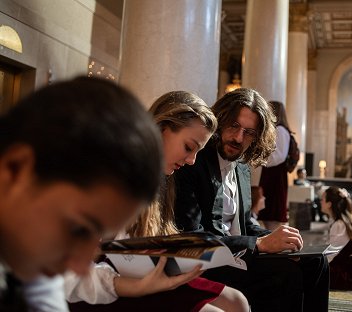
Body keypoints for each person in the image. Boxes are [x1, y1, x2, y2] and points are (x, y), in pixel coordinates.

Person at [65, 91, 249, 312]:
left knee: (237, 301)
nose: (192, 161)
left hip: (132, 274)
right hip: (98, 284)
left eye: (197, 152)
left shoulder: (158, 179)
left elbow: (137, 241)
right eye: (189, 148)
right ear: (160, 131)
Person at [0, 77, 163, 311]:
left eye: (99, 238)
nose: (80, 267)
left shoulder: (27, 261)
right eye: (79, 229)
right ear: (16, 169)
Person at [174, 88, 330, 312]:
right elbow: (194, 238)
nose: (238, 138)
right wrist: (258, 244)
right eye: (234, 126)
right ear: (220, 120)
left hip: (239, 254)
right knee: (286, 274)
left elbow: (246, 224)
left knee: (316, 262)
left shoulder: (242, 166)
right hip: (211, 261)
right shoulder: (193, 163)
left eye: (249, 132)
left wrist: (277, 239)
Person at [320, 187, 352, 291]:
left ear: (329, 204)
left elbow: (329, 256)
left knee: (309, 271)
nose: (320, 201)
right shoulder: (342, 222)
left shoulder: (339, 225)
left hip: (349, 278)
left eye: (322, 199)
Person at [257, 101, 291, 230]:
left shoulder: (281, 130)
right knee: (267, 210)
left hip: (275, 174)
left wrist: (262, 158)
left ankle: (272, 238)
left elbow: (279, 156)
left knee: (272, 210)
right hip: (271, 173)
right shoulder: (277, 130)